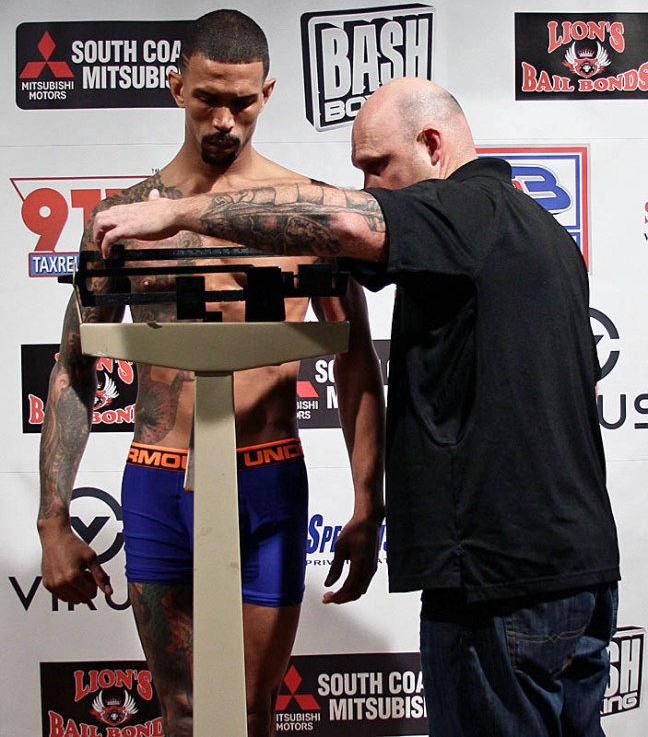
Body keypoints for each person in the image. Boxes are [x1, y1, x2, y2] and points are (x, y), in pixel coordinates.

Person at [93, 76, 621, 737]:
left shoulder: (466, 210)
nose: (369, 186)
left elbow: (343, 222)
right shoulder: (540, 231)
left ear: (433, 145)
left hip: (501, 586)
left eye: (377, 166)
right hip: (577, 576)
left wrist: (179, 213)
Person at [37, 10, 385, 737]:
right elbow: (74, 368)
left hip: (266, 478)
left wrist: (367, 503)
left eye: (243, 101)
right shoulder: (120, 220)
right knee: (183, 716)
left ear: (269, 93)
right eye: (207, 99)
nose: (225, 120)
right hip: (158, 481)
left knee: (253, 713)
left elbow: (355, 363)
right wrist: (53, 521)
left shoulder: (309, 215)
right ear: (176, 88)